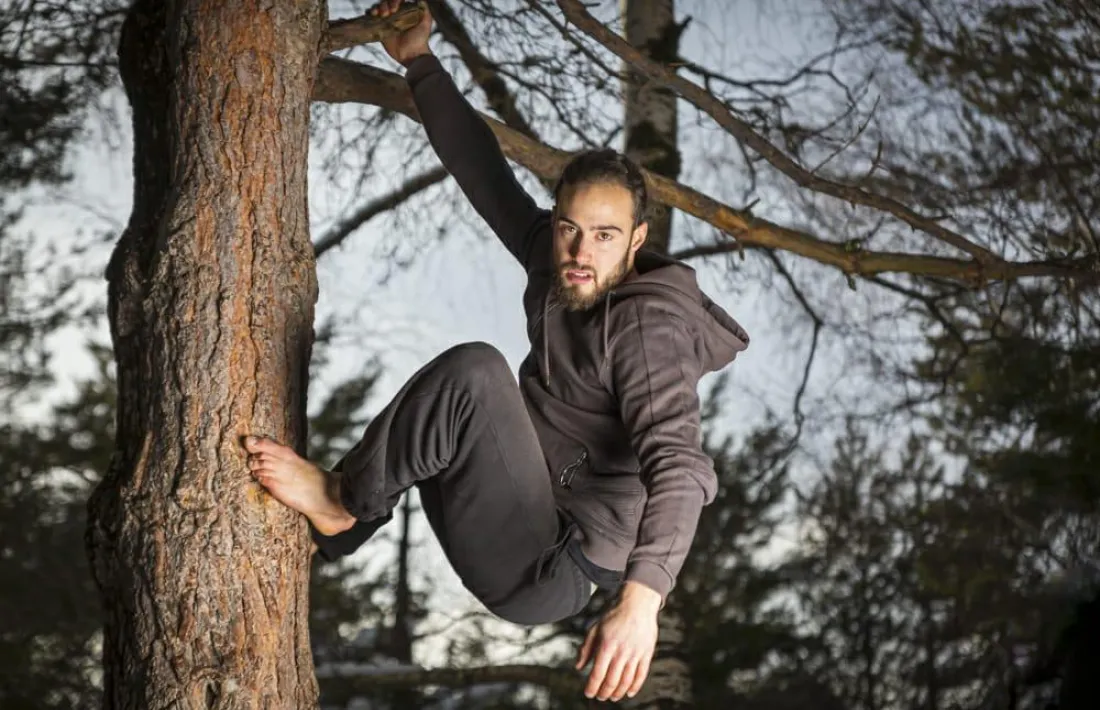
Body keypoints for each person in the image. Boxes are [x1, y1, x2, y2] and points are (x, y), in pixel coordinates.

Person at [243, 0, 749, 702]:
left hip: (552, 564)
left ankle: (343, 506)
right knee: (474, 385)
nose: (579, 252)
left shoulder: (647, 330)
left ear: (636, 243)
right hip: (520, 496)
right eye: (571, 228)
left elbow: (682, 467)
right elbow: (487, 178)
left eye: (605, 237)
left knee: (477, 374)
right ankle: (353, 511)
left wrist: (642, 603)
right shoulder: (559, 258)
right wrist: (421, 62)